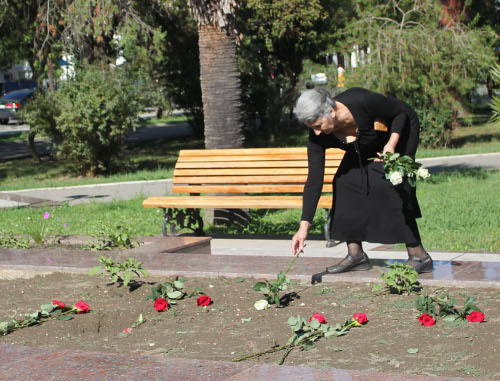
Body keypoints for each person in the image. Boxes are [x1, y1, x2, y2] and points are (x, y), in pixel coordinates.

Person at [291, 87, 433, 274]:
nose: (316, 132)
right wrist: (303, 228)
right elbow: (314, 180)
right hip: (366, 142)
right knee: (344, 182)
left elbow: (400, 113)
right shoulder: (318, 135)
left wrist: (391, 145)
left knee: (390, 182)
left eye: (318, 125)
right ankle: (356, 255)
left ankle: (419, 256)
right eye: (311, 128)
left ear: (331, 112)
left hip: (400, 129)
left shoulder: (361, 100)